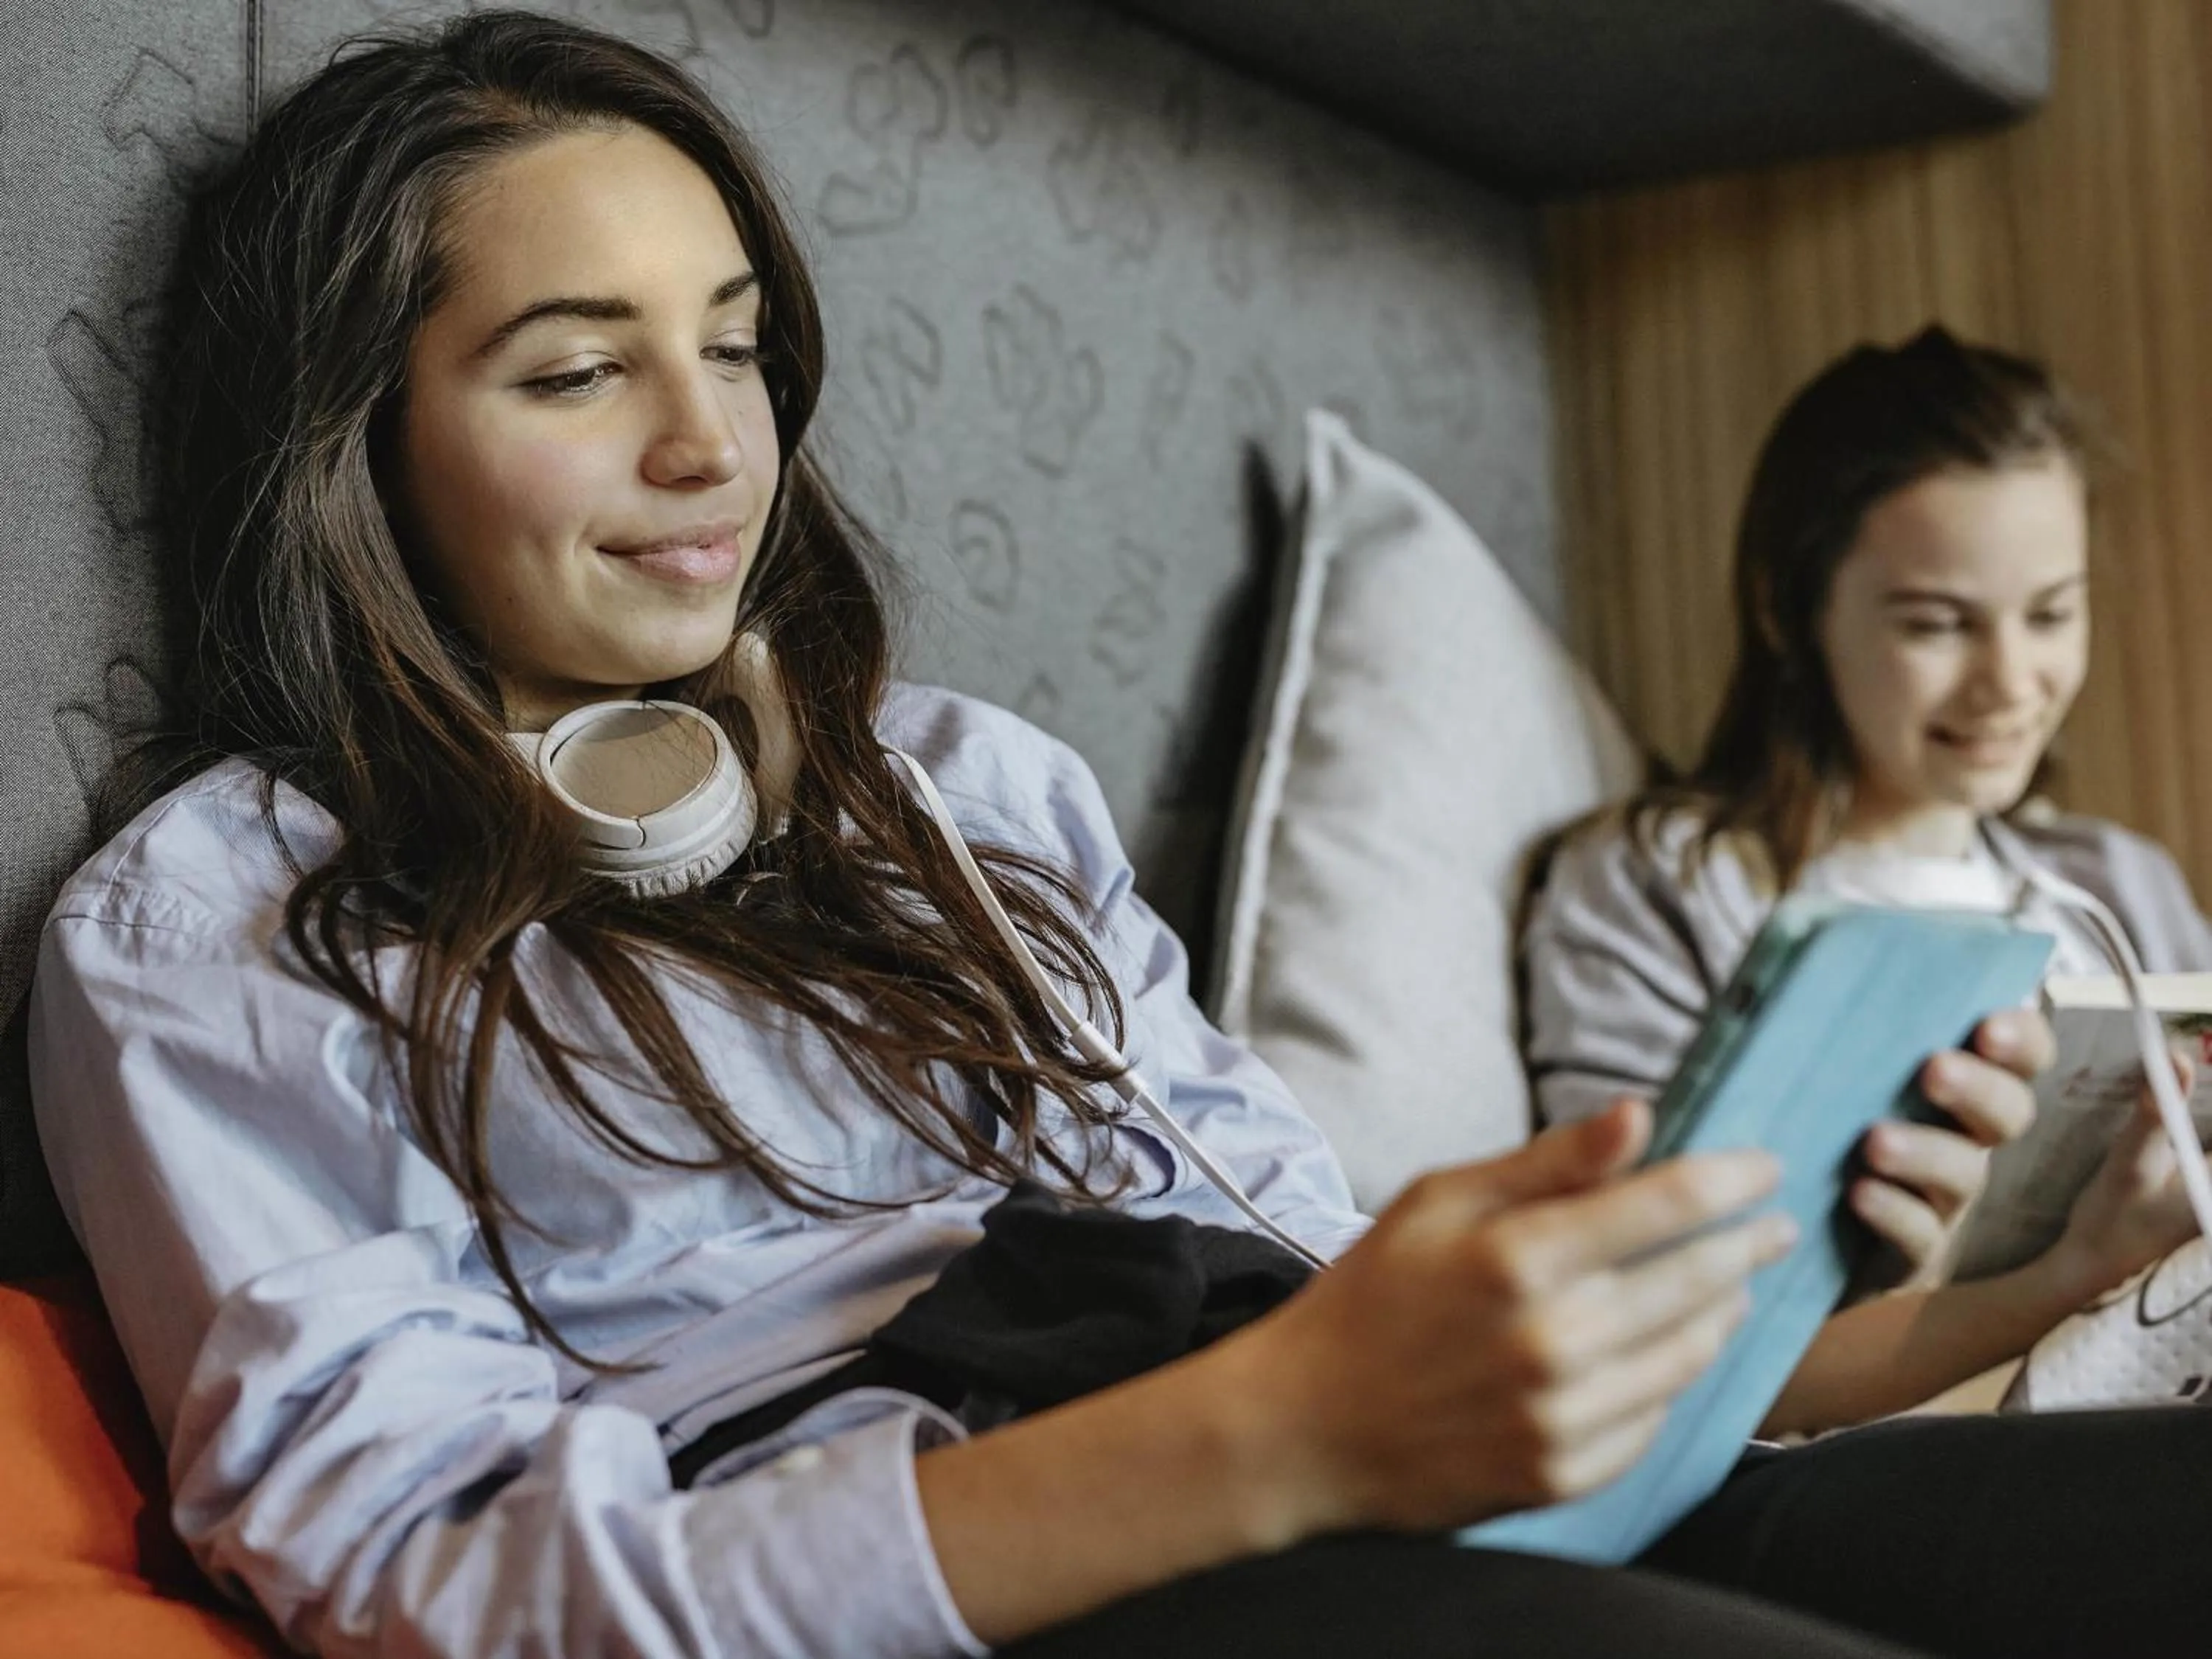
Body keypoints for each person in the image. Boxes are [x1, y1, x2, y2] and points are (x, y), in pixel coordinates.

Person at [22, 16, 2212, 1658]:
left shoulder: (961, 790)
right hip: (1034, 1569)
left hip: (1345, 1471)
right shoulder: (221, 916)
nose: (713, 448)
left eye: (741, 347)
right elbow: (431, 1582)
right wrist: (1274, 1439)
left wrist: (2002, 1297)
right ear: (359, 441)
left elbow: (1326, 1282)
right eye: (579, 372)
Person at [1523, 326, 2212, 1399]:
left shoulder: (2119, 886)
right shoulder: (1666, 884)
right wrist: (2068, 1275)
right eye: (1938, 625)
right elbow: (1652, 1346)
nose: (2010, 682)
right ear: (1788, 607)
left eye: (2051, 613)